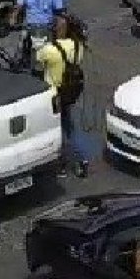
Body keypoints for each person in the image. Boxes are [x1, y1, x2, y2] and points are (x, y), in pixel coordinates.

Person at [35, 14, 90, 178]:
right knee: (70, 127)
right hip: (70, 91)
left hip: (53, 96)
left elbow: (38, 62)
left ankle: (60, 164)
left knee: (54, 130)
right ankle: (81, 159)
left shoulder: (50, 50)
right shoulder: (78, 46)